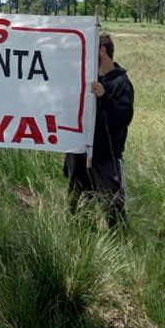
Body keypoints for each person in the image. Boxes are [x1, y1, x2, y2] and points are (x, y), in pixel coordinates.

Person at [64, 33, 134, 226]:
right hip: (79, 152)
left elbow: (123, 118)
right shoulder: (85, 79)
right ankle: (81, 239)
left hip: (105, 157)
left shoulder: (121, 83)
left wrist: (104, 96)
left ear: (102, 51)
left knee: (113, 209)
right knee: (77, 205)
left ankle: (119, 245)